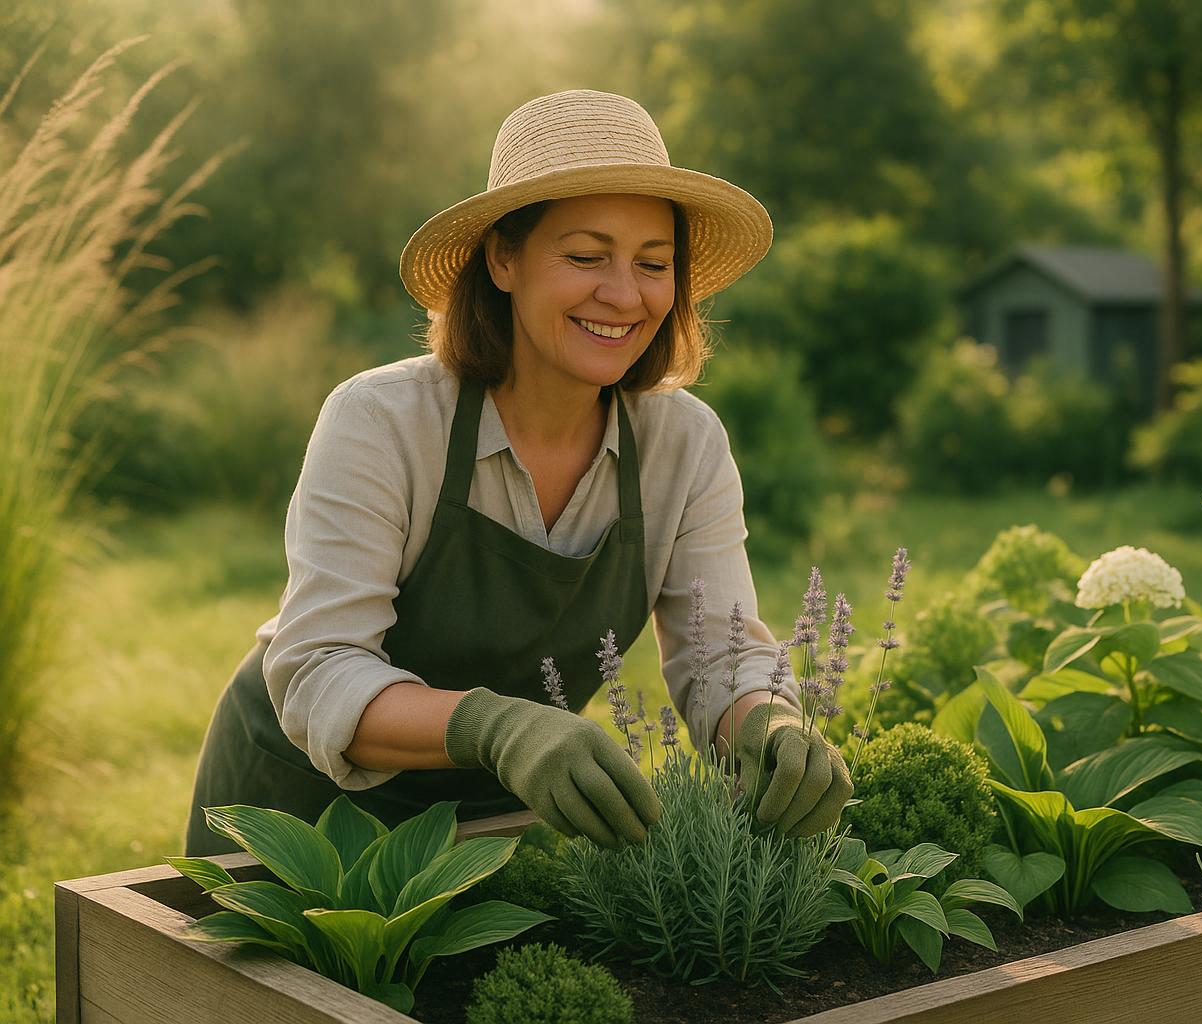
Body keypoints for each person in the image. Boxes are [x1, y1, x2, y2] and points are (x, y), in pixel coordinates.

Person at [183, 89, 852, 856]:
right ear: (504, 258)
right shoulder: (381, 421)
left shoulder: (684, 445)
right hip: (301, 817)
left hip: (497, 816)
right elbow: (320, 669)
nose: (624, 294)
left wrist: (771, 722)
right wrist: (495, 724)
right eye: (585, 256)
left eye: (654, 264)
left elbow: (719, 654)